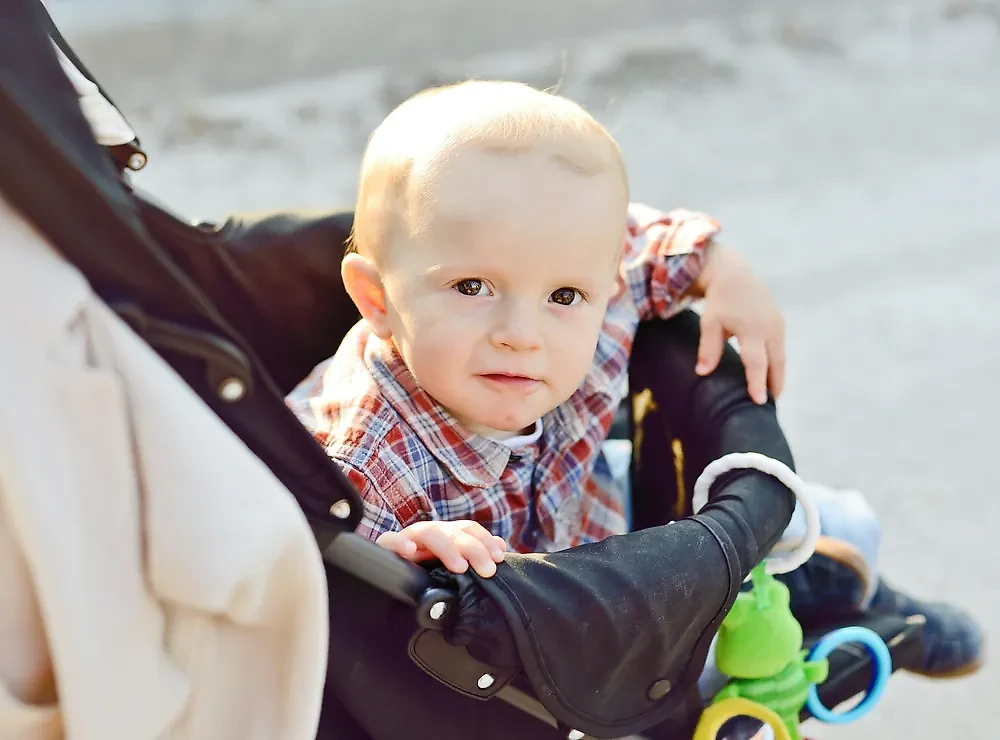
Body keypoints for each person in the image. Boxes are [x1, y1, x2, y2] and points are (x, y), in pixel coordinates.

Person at [288, 79, 984, 679]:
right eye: (473, 285)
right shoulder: (364, 458)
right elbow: (311, 579)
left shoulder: (583, 285)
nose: (522, 332)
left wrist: (722, 270)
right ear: (378, 300)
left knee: (841, 520)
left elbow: (634, 238)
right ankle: (823, 627)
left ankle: (842, 590)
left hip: (585, 505)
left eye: (564, 296)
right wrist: (397, 555)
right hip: (536, 636)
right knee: (695, 660)